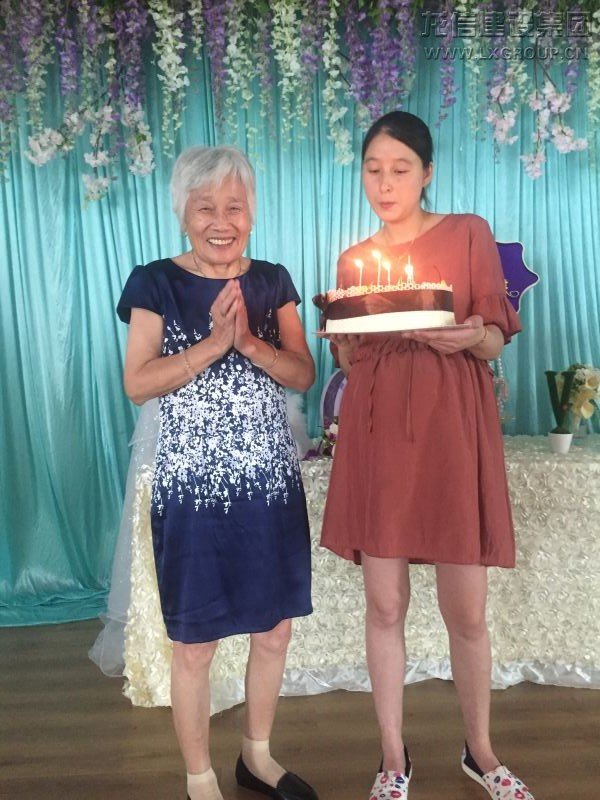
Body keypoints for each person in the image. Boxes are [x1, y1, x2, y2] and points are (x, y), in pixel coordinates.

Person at [320, 112, 535, 800]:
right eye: (373, 170)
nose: (385, 184)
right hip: (380, 434)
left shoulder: (468, 233)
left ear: (427, 173)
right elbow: (350, 359)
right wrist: (344, 346)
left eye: (400, 169)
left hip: (451, 431)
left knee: (466, 612)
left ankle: (481, 752)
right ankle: (392, 756)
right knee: (385, 605)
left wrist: (470, 337)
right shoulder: (354, 260)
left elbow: (495, 337)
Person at [116, 145, 318, 800]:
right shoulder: (154, 282)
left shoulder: (273, 281)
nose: (221, 221)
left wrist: (249, 343)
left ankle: (257, 757)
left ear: (252, 211)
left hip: (269, 489)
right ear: (183, 213)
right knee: (195, 644)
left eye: (234, 206)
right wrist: (211, 345)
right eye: (205, 207)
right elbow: (138, 382)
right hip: (192, 494)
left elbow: (302, 373)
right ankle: (199, 775)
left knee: (274, 631)